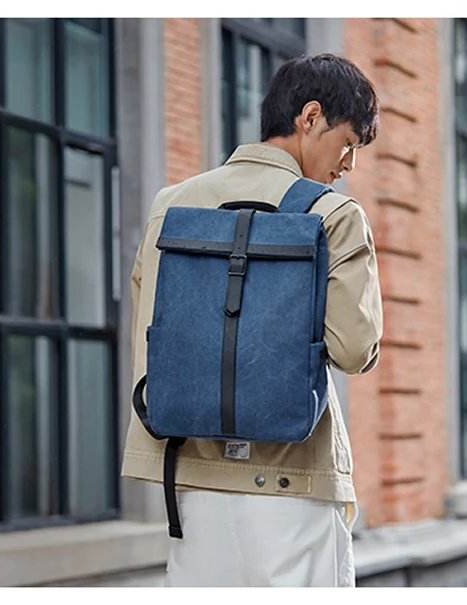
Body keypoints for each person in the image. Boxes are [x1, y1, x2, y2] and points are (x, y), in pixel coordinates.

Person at [121, 53, 384, 588]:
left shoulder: (169, 206)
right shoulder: (333, 215)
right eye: (349, 144)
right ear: (310, 117)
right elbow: (355, 350)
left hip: (192, 487)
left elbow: (151, 334)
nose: (348, 165)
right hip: (294, 483)